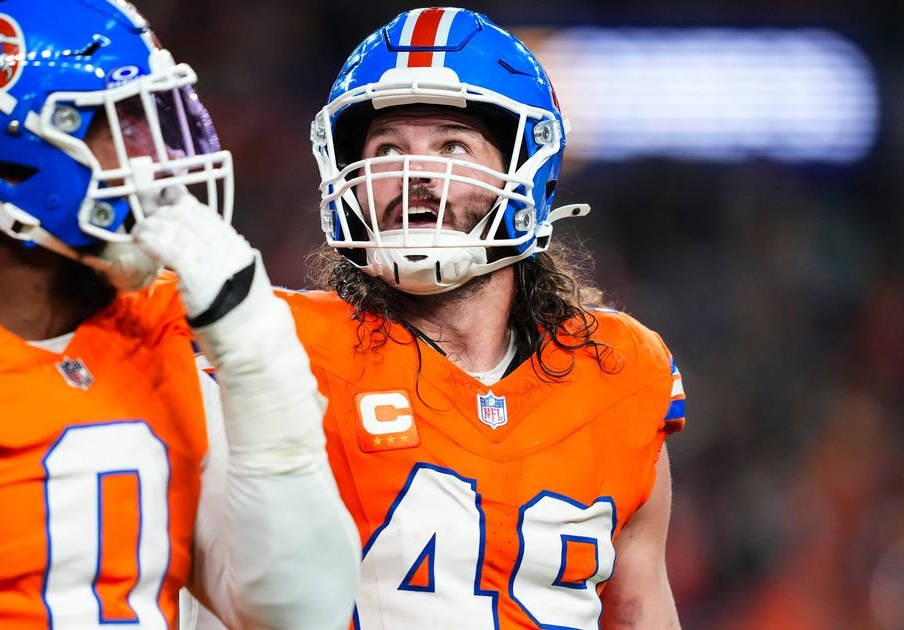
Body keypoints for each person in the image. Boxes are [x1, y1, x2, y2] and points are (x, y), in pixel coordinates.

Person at [0, 0, 358, 627]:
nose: (159, 161)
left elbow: (303, 613)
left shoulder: (159, 341)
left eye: (154, 124)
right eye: (123, 126)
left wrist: (258, 358)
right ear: (10, 158)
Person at [290, 7, 687, 629]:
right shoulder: (285, 349)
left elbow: (640, 611)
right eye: (386, 149)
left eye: (452, 145)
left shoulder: (621, 372)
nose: (416, 173)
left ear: (525, 168)